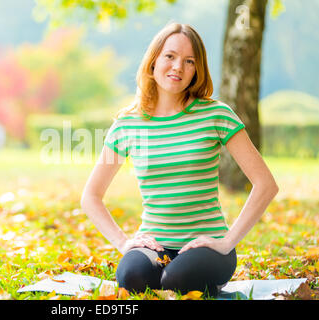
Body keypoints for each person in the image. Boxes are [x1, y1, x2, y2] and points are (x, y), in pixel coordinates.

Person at [80, 22, 279, 297]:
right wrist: (124, 243)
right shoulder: (128, 124)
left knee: (176, 281)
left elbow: (266, 184)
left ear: (197, 70)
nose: (178, 67)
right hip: (155, 246)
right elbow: (91, 196)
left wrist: (226, 242)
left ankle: (195, 269)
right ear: (153, 61)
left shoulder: (216, 115)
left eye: (189, 61)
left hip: (208, 248)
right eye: (170, 56)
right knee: (131, 277)